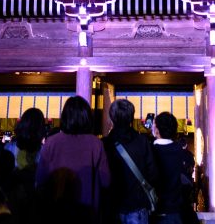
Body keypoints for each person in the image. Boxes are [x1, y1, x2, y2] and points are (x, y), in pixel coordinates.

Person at [35, 95, 111, 223]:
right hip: (88, 212)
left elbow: (40, 179)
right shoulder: (95, 143)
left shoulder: (51, 142)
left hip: (56, 210)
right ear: (87, 118)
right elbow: (106, 181)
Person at [103, 98, 159, 223]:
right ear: (132, 118)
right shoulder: (142, 141)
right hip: (138, 205)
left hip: (112, 206)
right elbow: (153, 173)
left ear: (111, 118)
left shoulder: (105, 144)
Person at [150, 111, 196, 224]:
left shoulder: (149, 151)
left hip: (154, 211)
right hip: (177, 211)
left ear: (157, 130)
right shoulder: (183, 153)